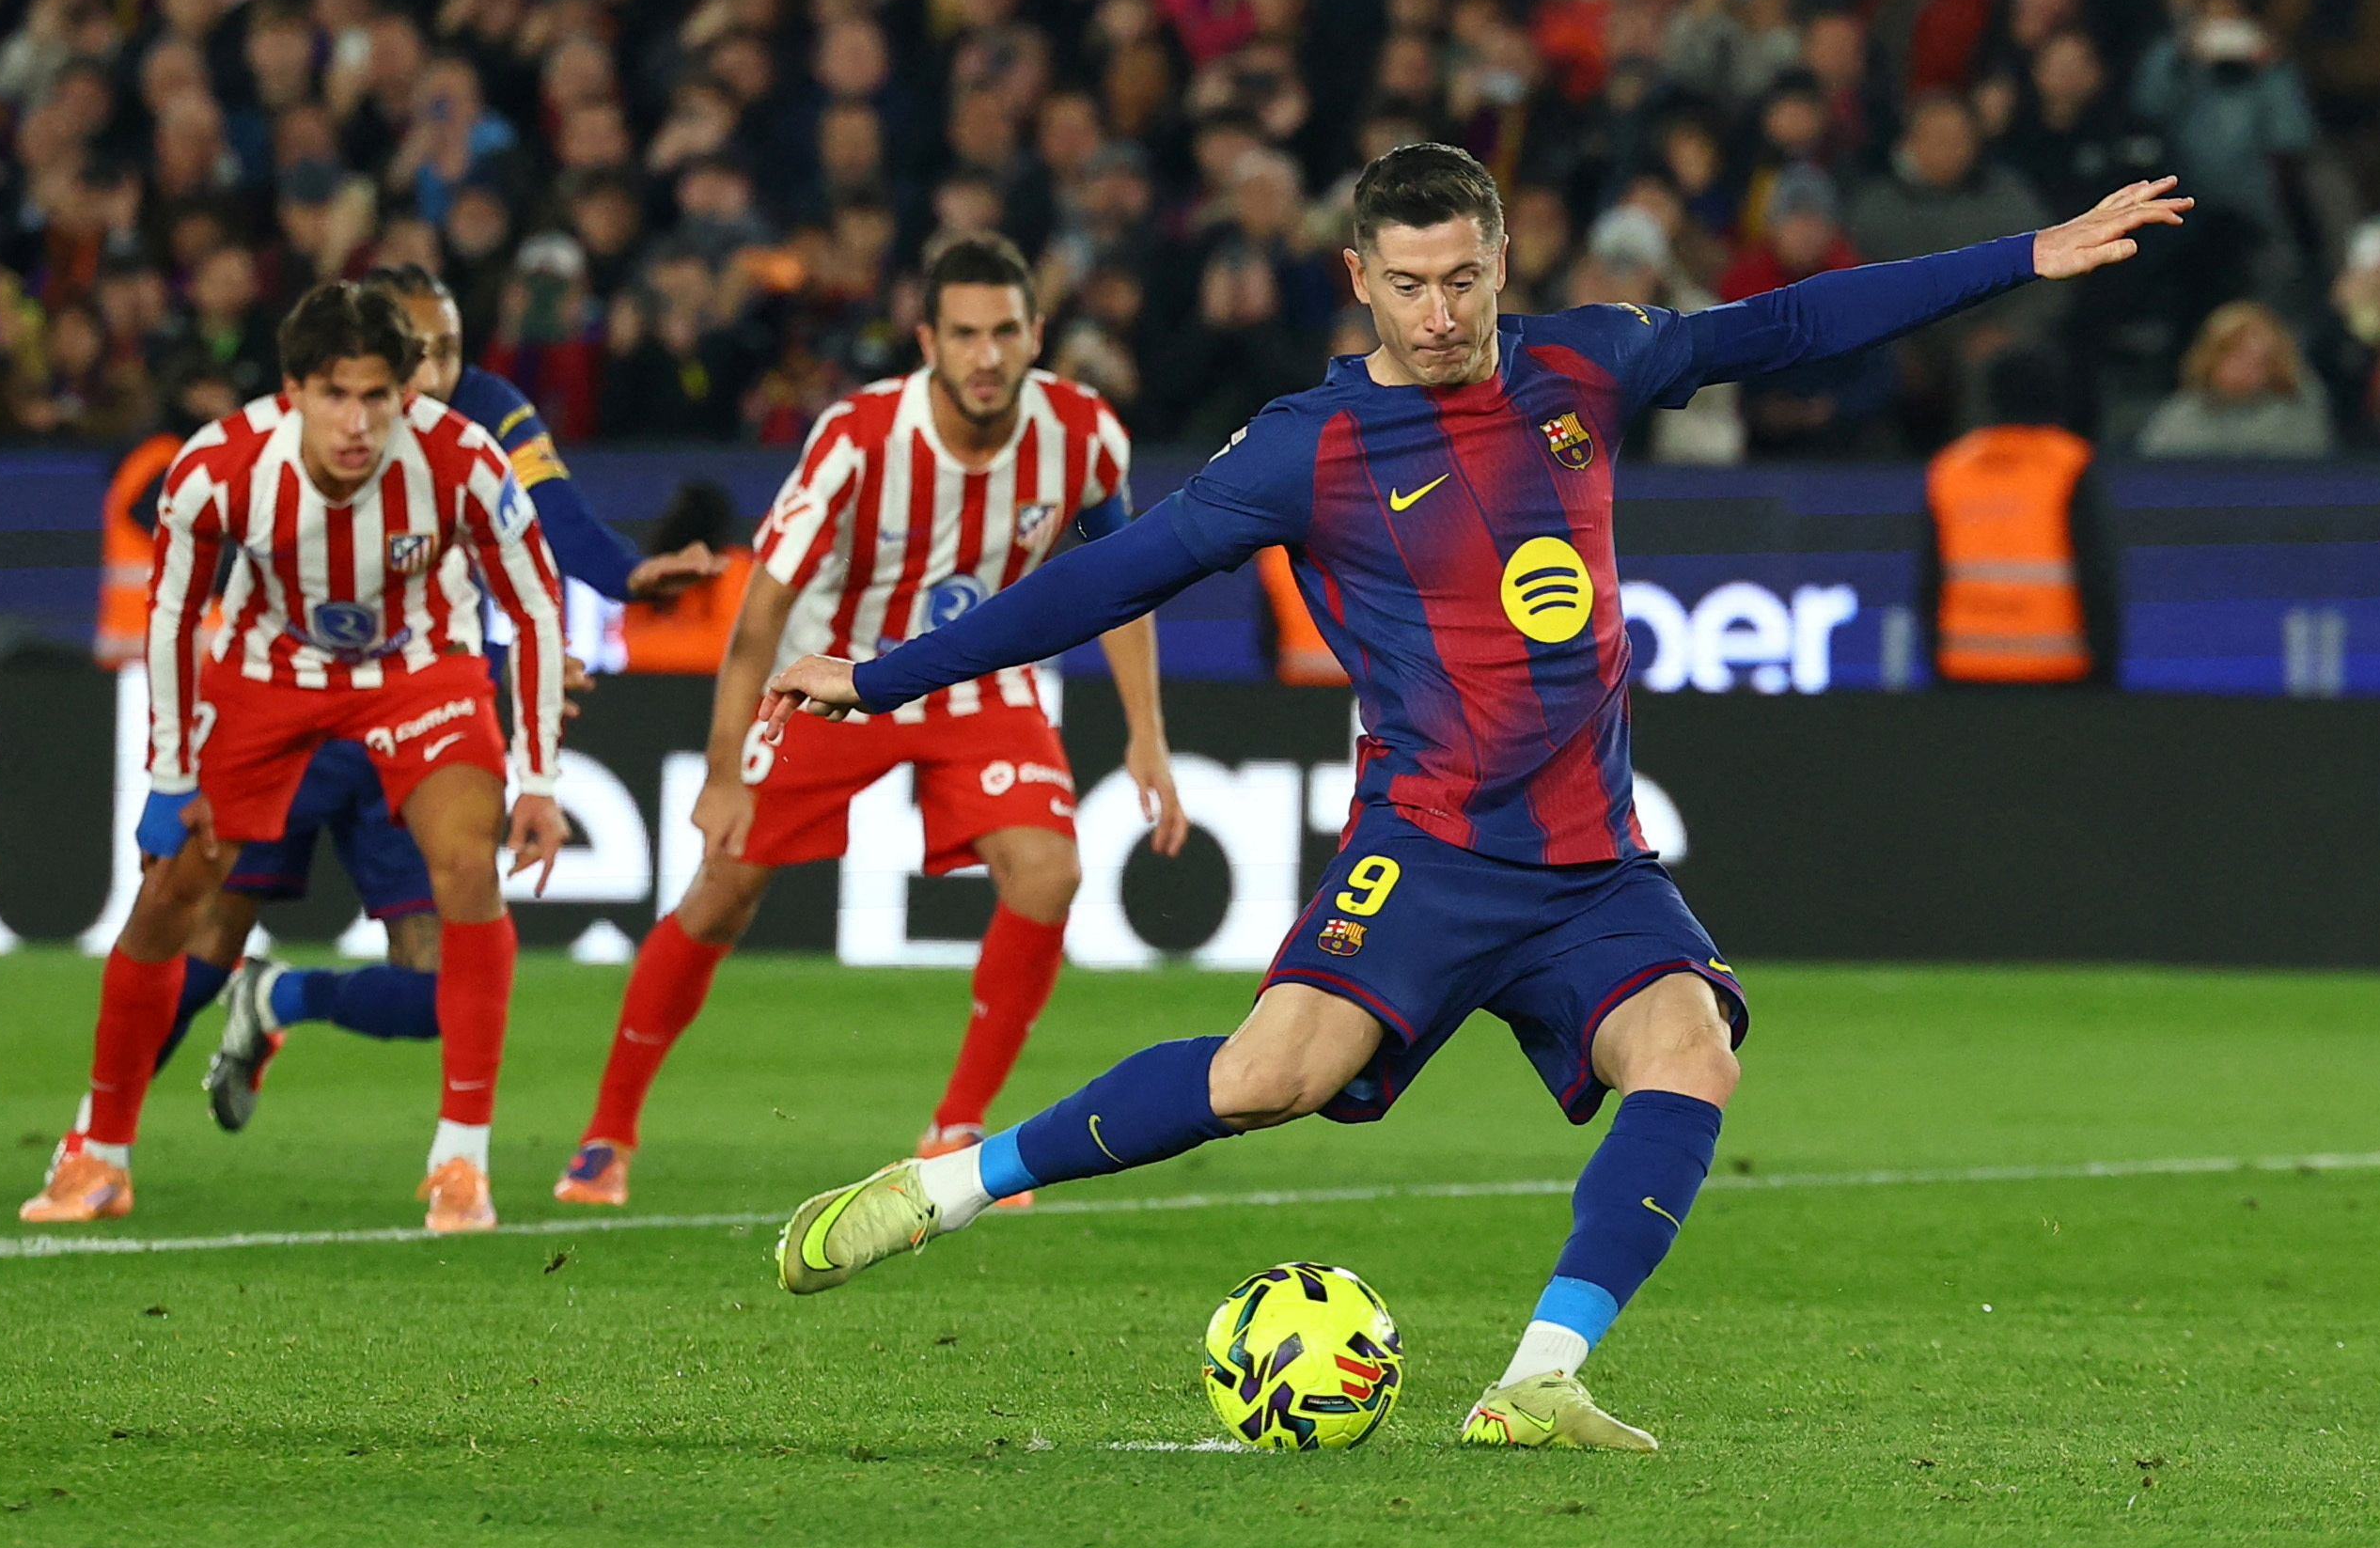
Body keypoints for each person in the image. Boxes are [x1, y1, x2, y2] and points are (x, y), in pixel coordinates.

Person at [752, 144, 2187, 1449]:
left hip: (1591, 862)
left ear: (1501, 263)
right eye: (1409, 285)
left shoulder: (1588, 365)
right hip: (1428, 852)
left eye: (1463, 279)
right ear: (1359, 280)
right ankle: (944, 1187)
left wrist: (2022, 256)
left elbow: (1791, 323)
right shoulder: (1305, 447)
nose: (1439, 313)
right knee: (1266, 1081)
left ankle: (1539, 1377)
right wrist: (886, 677)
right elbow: (1106, 576)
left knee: (1692, 1054)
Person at [550, 232, 1190, 1209]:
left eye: (1004, 333)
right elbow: (761, 606)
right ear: (926, 337)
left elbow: (1124, 577)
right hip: (832, 675)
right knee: (723, 890)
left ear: (1035, 336)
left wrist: (1147, 732)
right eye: (965, 334)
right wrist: (724, 771)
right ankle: (606, 1135)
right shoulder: (861, 437)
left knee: (1050, 868)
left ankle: (958, 1127)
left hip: (976, 678)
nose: (986, 356)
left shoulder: (1083, 433)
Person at [20, 282, 572, 1233]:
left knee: (466, 867)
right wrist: (169, 775)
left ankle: (460, 1164)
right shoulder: (220, 469)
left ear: (408, 390)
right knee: (169, 897)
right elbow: (173, 615)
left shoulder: (463, 461)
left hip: (419, 669)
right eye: (333, 395)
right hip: (268, 676)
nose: (356, 423)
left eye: (377, 396)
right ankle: (97, 1157)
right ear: (292, 389)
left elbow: (533, 603)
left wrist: (538, 774)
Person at [180, 265, 729, 1130]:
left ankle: (281, 996)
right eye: (418, 351)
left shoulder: (489, 411)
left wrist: (625, 578)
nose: (434, 372)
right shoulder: (318, 427)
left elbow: (555, 521)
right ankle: (95, 1136)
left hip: (414, 712)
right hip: (293, 708)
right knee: (208, 935)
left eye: (449, 350)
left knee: (443, 983)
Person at [1917, 347, 2119, 685]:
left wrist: (1934, 662)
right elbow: (2096, 574)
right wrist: (2106, 669)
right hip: (2058, 671)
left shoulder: (1951, 469)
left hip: (1966, 669)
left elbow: (1930, 579)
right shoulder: (2070, 467)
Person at [2137, 302, 2336, 458]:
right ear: (2210, 357)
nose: (2245, 368)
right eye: (2235, 355)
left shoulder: (2296, 417)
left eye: (2260, 361)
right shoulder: (2179, 417)